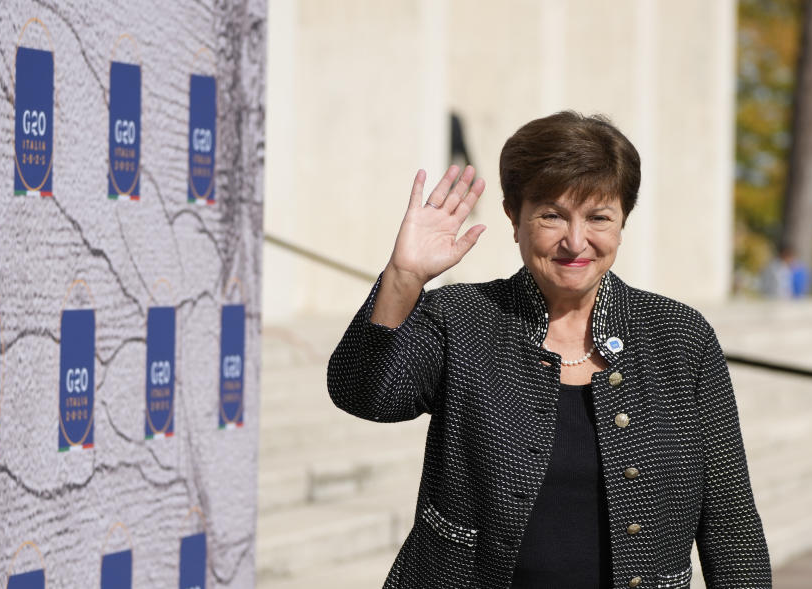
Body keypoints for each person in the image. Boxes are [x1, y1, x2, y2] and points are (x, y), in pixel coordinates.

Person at [327, 112, 771, 588]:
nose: (575, 241)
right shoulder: (461, 317)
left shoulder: (679, 337)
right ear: (513, 218)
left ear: (623, 223)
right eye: (552, 215)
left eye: (598, 217)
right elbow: (364, 393)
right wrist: (404, 277)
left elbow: (731, 522)